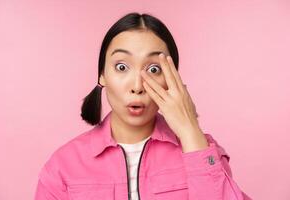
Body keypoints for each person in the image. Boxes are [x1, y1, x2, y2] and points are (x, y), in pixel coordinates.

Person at [34, 12, 252, 200]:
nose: (137, 86)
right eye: (121, 67)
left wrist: (189, 130)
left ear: (171, 79)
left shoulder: (202, 150)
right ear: (102, 75)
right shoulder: (63, 166)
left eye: (154, 70)